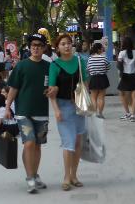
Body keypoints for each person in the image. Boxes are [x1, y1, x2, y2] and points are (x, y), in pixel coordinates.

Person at [5, 33, 52, 194]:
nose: (36, 48)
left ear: (44, 48)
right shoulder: (21, 66)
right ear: (29, 47)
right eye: (33, 45)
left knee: (37, 145)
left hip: (42, 112)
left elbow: (54, 87)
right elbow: (14, 88)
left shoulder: (49, 66)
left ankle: (35, 175)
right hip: (23, 112)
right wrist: (7, 107)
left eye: (39, 45)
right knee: (29, 142)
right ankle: (29, 177)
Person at [47, 34, 88, 191]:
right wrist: (56, 110)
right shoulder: (54, 65)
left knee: (77, 142)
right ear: (57, 47)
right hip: (63, 106)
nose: (66, 46)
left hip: (79, 106)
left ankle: (74, 175)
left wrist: (86, 102)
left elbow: (85, 83)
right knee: (68, 142)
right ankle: (66, 177)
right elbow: (51, 91)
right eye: (63, 44)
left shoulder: (80, 61)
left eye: (69, 43)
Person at [117, 37, 135, 122]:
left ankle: (127, 113)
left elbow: (119, 64)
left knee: (121, 94)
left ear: (124, 44)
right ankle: (133, 115)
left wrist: (121, 72)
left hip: (125, 76)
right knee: (134, 96)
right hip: (134, 75)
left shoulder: (122, 53)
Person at [86, 43, 111, 118]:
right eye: (102, 48)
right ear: (99, 49)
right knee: (101, 97)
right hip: (103, 78)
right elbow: (108, 67)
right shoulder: (104, 58)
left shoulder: (90, 59)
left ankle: (94, 114)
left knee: (93, 97)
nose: (103, 49)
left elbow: (88, 69)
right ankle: (100, 113)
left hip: (93, 78)